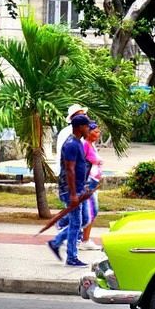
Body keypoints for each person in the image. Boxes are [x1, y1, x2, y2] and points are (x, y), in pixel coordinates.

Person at [48, 114, 91, 266]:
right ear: (80, 127)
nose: (89, 129)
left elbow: (80, 167)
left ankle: (56, 242)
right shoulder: (71, 144)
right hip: (70, 190)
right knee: (76, 223)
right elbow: (69, 170)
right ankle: (71, 257)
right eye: (87, 126)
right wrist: (73, 194)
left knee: (83, 220)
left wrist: (84, 186)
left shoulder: (78, 142)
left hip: (78, 188)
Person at [79, 122, 104, 251]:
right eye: (96, 131)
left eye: (99, 132)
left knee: (91, 211)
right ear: (88, 132)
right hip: (87, 183)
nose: (98, 134)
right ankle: (82, 239)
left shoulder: (91, 145)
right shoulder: (84, 145)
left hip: (93, 182)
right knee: (90, 211)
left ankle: (84, 239)